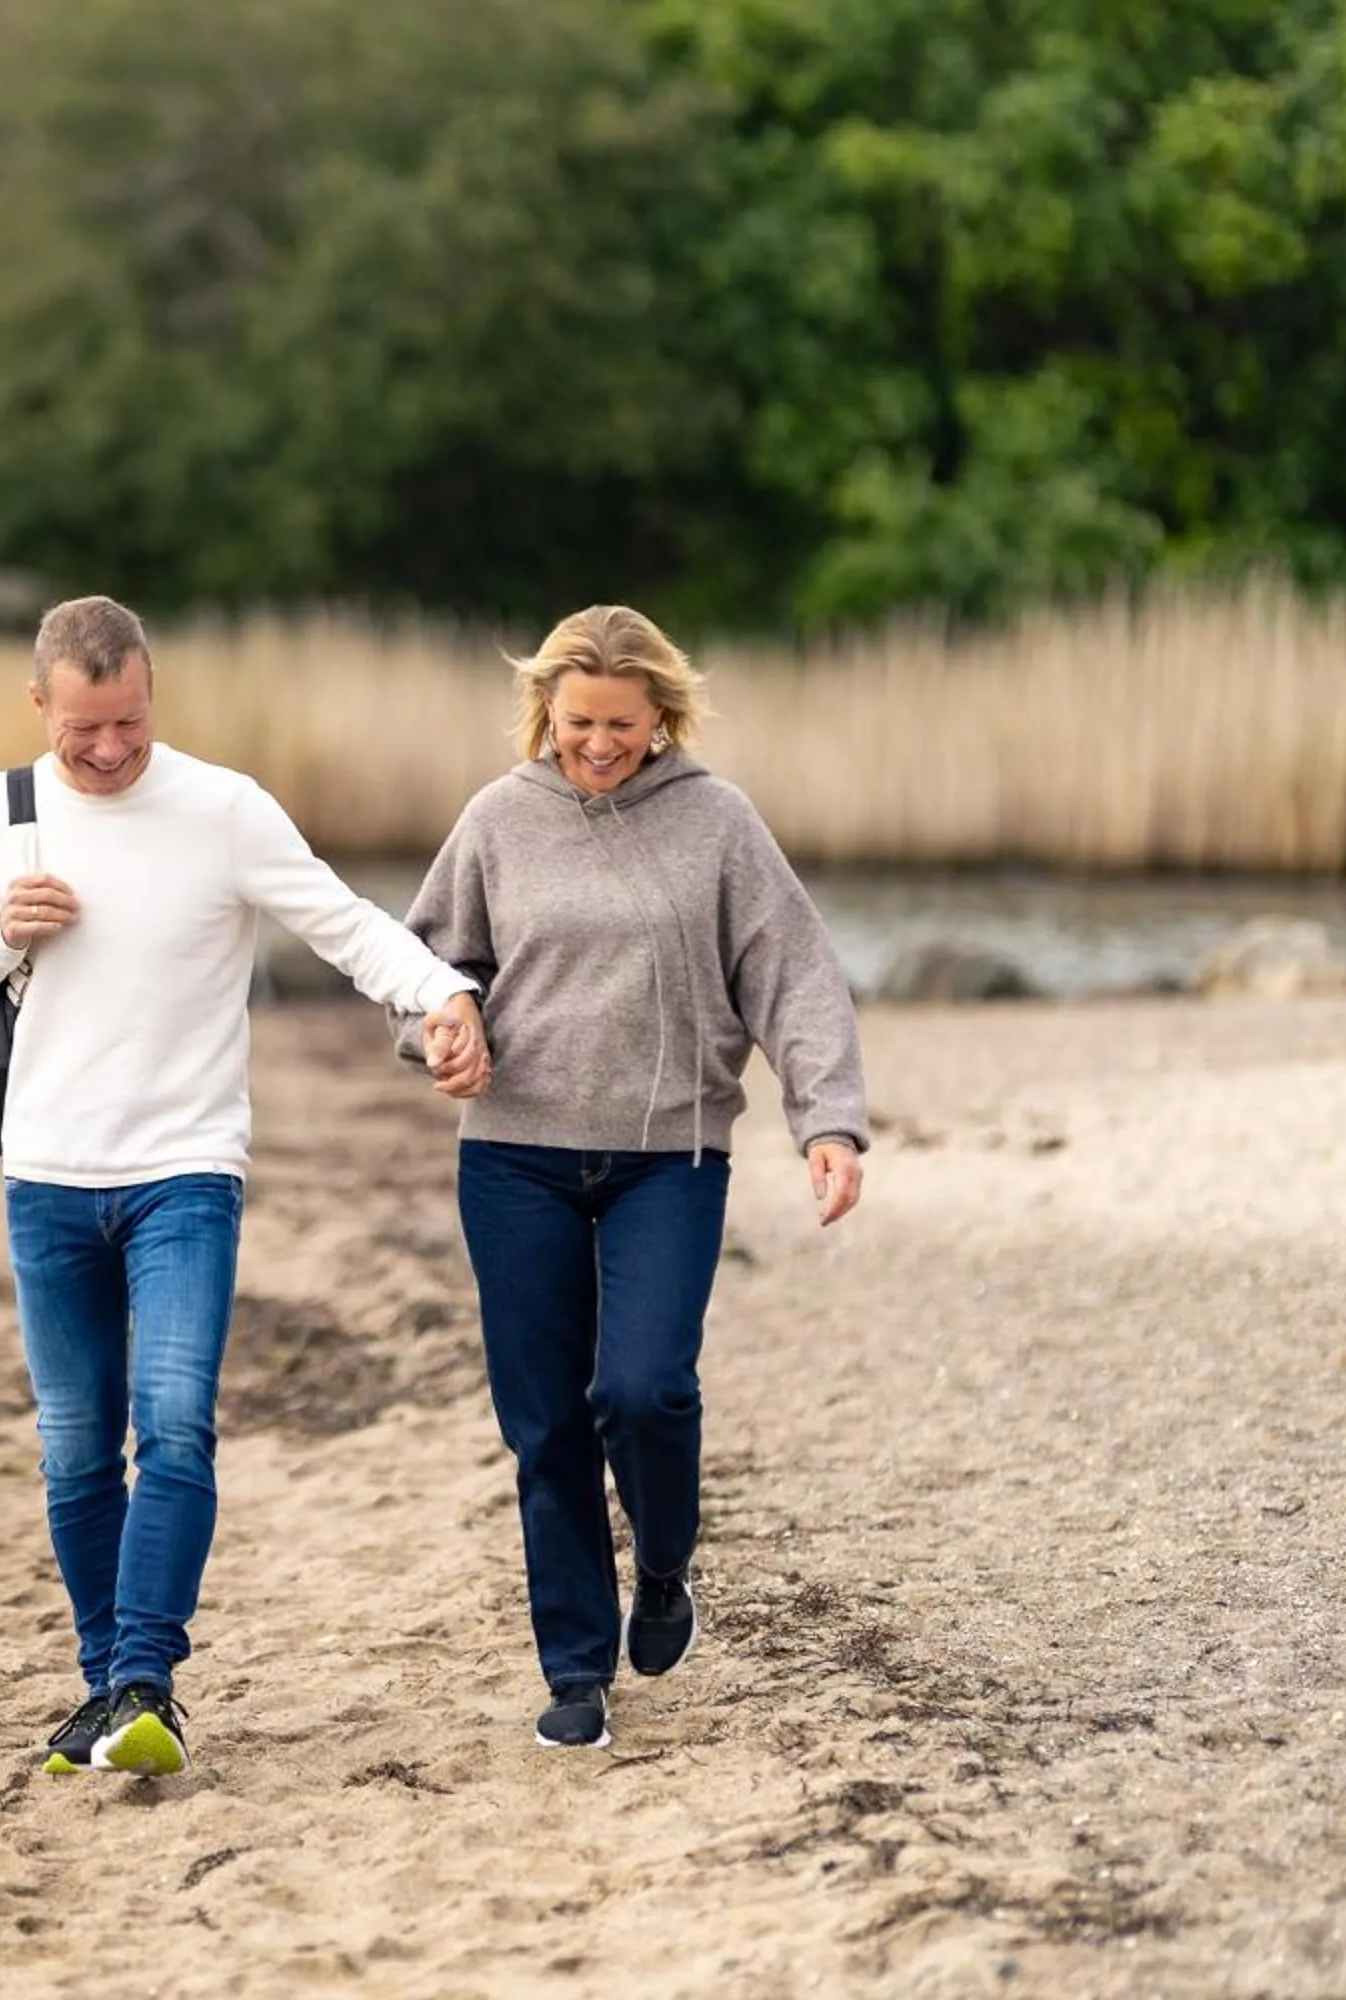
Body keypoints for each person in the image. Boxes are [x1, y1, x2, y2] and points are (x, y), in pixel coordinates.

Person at [0, 594, 488, 1778]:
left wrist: (443, 993)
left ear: (152, 692)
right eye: (83, 728)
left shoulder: (223, 807)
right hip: (47, 1171)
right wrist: (5, 931)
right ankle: (105, 1688)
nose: (109, 748)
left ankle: (145, 1679)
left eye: (129, 721)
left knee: (174, 1421)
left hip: (186, 1167)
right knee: (75, 1447)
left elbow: (344, 923)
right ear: (39, 703)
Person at [393, 603, 867, 1750]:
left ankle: (661, 1562)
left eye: (621, 723)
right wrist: (442, 1025)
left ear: (661, 715)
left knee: (645, 1388)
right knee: (547, 1420)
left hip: (671, 1153)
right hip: (515, 1155)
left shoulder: (717, 820)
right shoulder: (499, 817)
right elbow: (425, 961)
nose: (598, 744)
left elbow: (795, 974)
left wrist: (828, 1121)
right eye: (577, 722)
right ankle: (575, 1667)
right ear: (545, 711)